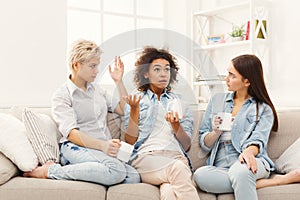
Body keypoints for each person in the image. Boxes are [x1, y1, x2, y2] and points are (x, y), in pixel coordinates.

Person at [23, 39, 140, 185]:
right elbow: (71, 133)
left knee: (133, 177)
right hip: (75, 147)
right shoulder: (62, 95)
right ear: (76, 65)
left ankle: (91, 172)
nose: (97, 71)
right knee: (115, 170)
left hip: (101, 151)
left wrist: (118, 81)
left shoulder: (98, 91)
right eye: (92, 66)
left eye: (97, 65)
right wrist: (103, 145)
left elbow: (123, 109)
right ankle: (50, 171)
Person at [193, 54, 278, 200]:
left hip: (249, 160)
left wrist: (249, 153)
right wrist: (215, 132)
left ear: (247, 81)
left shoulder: (263, 109)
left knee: (241, 173)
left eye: (232, 75)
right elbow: (204, 143)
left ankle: (246, 179)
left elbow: (259, 139)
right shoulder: (217, 101)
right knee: (200, 175)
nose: (226, 79)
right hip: (220, 164)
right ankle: (271, 181)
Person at [123, 47, 200, 200]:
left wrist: (176, 125)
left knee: (169, 192)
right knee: (177, 169)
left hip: (176, 157)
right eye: (157, 69)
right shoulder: (136, 100)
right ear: (146, 73)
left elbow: (186, 145)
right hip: (146, 158)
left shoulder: (180, 103)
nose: (163, 74)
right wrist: (133, 110)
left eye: (167, 69)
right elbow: (130, 141)